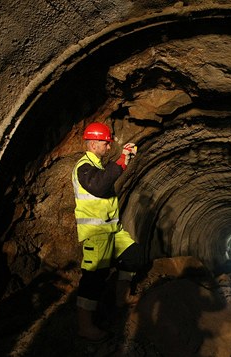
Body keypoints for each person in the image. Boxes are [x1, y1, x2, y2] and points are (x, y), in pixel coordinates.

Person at [71, 122, 143, 342]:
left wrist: (125, 160)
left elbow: (105, 181)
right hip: (96, 232)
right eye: (104, 143)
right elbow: (99, 185)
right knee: (94, 278)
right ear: (93, 144)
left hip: (112, 229)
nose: (107, 146)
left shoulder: (98, 165)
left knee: (134, 254)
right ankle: (85, 326)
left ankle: (122, 298)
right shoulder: (83, 167)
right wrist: (121, 161)